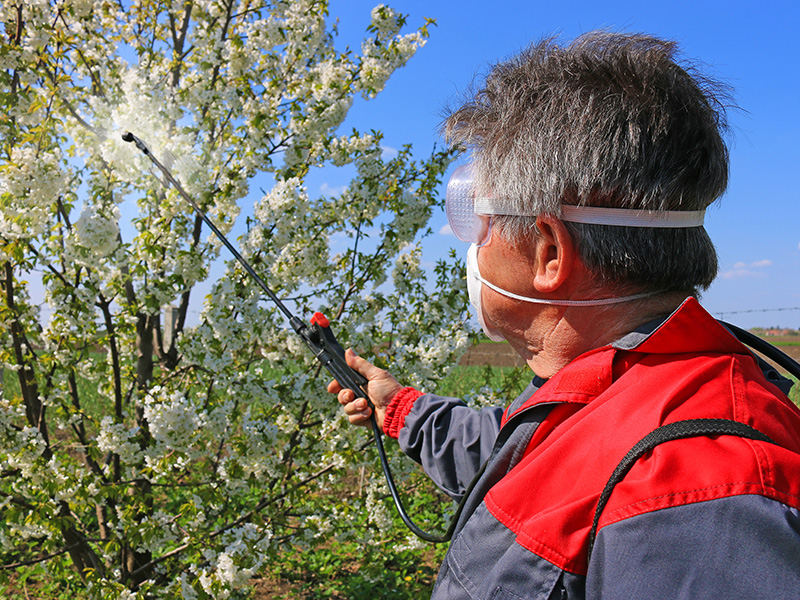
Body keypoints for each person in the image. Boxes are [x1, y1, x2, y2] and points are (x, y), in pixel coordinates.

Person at [328, 31, 800, 599]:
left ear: (549, 252)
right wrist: (399, 408)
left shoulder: (700, 486)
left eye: (481, 221)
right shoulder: (607, 385)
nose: (473, 247)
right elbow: (523, 454)